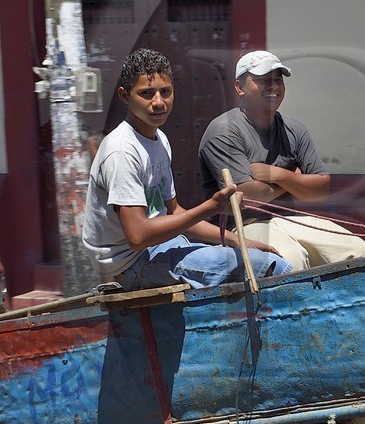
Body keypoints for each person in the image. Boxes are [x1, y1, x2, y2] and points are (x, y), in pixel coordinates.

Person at [84, 47, 290, 290]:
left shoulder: (158, 139)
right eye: (147, 94)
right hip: (129, 266)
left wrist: (237, 240)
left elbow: (173, 212)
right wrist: (211, 207)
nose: (158, 102)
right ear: (125, 96)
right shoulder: (121, 151)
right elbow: (138, 236)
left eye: (165, 92)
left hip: (162, 248)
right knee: (271, 267)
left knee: (256, 258)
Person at [197, 50, 365, 270]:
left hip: (289, 219)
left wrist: (278, 175)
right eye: (262, 81)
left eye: (278, 81)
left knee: (360, 252)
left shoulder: (295, 129)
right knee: (290, 260)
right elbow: (247, 198)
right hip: (242, 226)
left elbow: (320, 191)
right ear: (240, 87)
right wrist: (295, 180)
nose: (273, 87)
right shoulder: (224, 131)